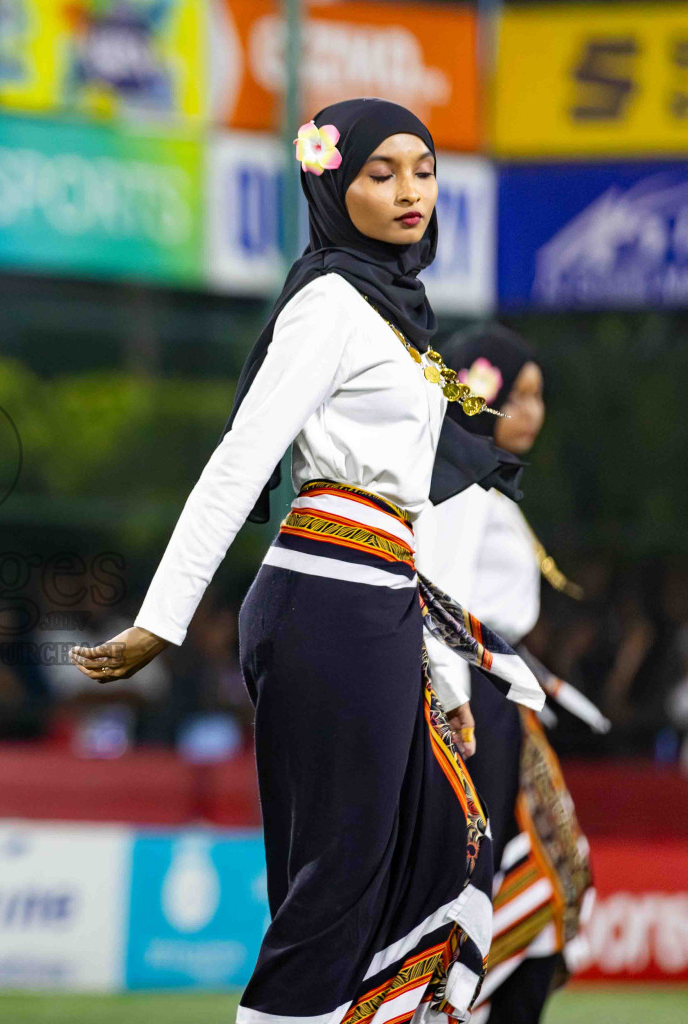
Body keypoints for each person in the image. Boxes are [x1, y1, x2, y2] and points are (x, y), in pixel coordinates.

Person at [71, 99, 544, 1023]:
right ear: (332, 186)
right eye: (380, 173)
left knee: (406, 854)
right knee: (339, 877)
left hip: (373, 599)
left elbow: (413, 536)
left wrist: (445, 679)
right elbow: (239, 460)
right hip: (326, 592)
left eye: (423, 168)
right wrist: (160, 620)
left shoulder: (392, 312)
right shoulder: (329, 302)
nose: (411, 191)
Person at [418, 326, 596, 1023]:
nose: (532, 413)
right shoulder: (455, 485)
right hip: (474, 695)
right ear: (480, 393)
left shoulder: (484, 486)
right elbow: (444, 598)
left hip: (500, 692)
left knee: (551, 880)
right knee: (501, 877)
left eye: (538, 397)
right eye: (516, 395)